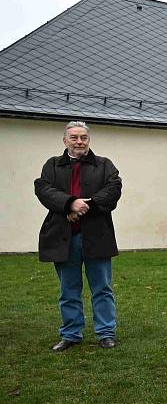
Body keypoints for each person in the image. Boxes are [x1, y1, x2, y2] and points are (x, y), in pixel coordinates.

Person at [34, 121, 123, 351]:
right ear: (65, 141)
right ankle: (71, 334)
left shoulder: (104, 165)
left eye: (83, 137)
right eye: (74, 137)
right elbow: (44, 190)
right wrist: (69, 204)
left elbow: (113, 190)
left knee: (102, 287)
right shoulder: (51, 166)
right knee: (68, 289)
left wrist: (82, 208)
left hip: (97, 236)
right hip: (64, 238)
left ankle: (106, 333)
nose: (79, 141)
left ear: (88, 140)